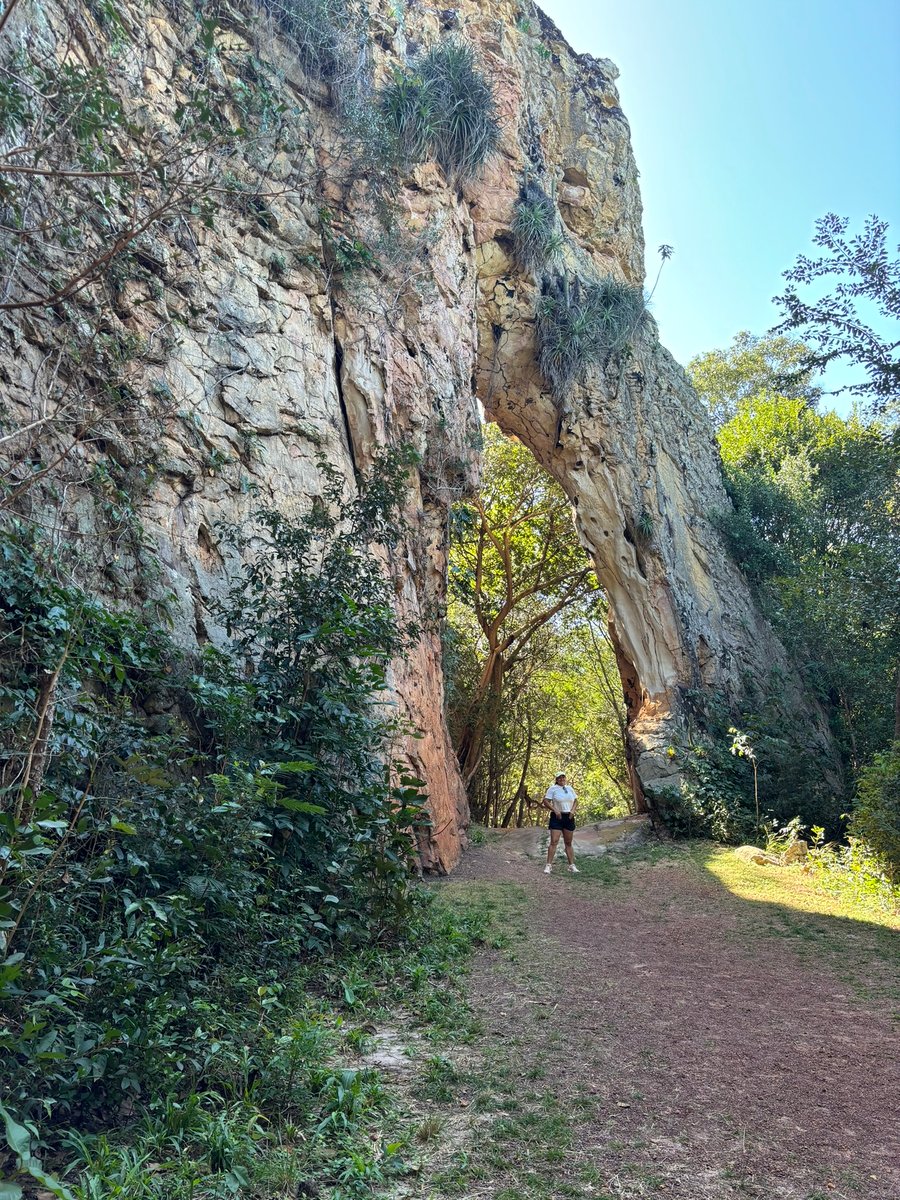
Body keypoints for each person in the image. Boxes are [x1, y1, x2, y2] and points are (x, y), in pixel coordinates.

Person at [543, 772, 579, 873]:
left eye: (563, 777)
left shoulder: (570, 788)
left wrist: (573, 811)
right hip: (557, 816)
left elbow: (576, 801)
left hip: (569, 816)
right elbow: (545, 801)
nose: (562, 779)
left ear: (565, 778)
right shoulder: (552, 789)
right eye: (559, 777)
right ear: (557, 779)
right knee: (554, 841)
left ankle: (571, 865)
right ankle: (548, 865)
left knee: (568, 842)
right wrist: (555, 810)